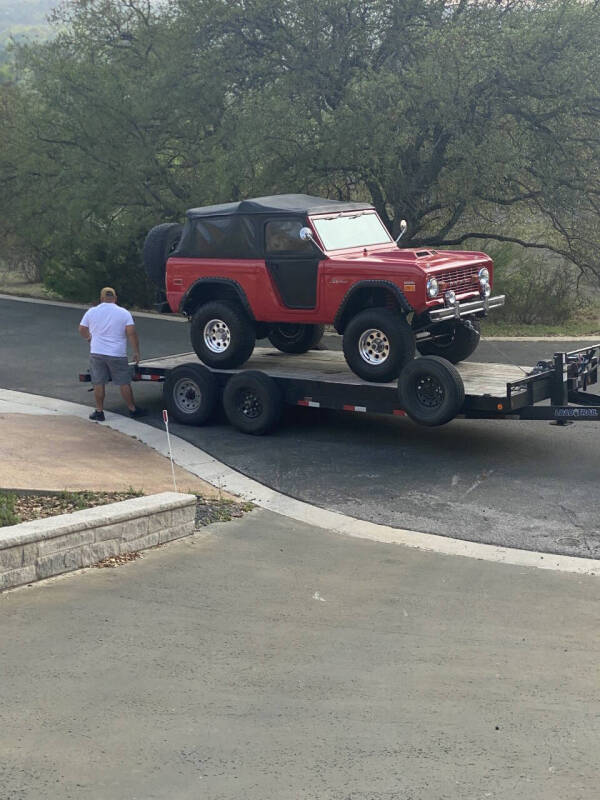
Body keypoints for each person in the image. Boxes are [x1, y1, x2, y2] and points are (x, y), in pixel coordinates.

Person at [79, 287, 146, 421]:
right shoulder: (123, 313)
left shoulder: (92, 312)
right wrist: (136, 352)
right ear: (115, 298)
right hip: (117, 353)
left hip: (97, 352)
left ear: (101, 298)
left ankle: (99, 411)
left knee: (98, 382)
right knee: (123, 382)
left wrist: (89, 338)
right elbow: (131, 333)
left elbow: (82, 329)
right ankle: (132, 408)